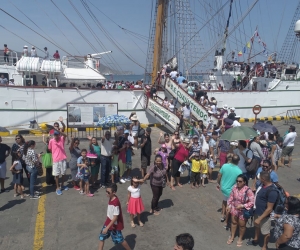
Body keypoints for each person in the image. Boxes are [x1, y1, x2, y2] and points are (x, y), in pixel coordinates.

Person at [246, 171, 278, 250]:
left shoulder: (272, 191)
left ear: (263, 179)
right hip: (257, 211)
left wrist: (260, 219)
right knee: (257, 226)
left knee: (266, 232)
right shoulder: (262, 185)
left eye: (259, 178)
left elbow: (269, 208)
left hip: (265, 216)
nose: (258, 179)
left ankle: (264, 246)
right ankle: (256, 240)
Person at [98, 184, 131, 250]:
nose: (106, 193)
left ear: (114, 192)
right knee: (101, 237)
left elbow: (115, 217)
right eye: (106, 191)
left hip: (115, 225)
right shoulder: (111, 197)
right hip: (108, 221)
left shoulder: (115, 203)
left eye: (108, 192)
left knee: (120, 240)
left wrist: (107, 228)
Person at [226, 174, 255, 246]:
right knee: (233, 223)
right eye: (237, 181)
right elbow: (231, 197)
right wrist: (228, 205)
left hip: (243, 211)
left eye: (240, 181)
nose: (238, 183)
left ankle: (240, 238)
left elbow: (252, 201)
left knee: (242, 225)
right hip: (234, 209)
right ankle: (232, 236)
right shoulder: (234, 188)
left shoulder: (248, 190)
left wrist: (243, 205)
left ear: (244, 182)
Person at [217, 154, 243, 228]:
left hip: (224, 188)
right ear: (238, 161)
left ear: (231, 160)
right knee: (230, 206)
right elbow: (240, 183)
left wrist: (218, 183)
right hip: (231, 191)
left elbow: (219, 175)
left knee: (224, 201)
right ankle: (226, 222)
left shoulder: (225, 166)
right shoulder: (239, 171)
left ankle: (222, 214)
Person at [48, 129, 68, 195]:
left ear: (59, 134)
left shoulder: (62, 139)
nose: (56, 136)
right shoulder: (51, 141)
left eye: (57, 134)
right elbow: (50, 149)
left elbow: (65, 135)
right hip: (56, 160)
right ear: (54, 135)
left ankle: (62, 185)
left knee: (63, 172)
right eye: (55, 134)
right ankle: (57, 187)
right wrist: (55, 155)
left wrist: (58, 130)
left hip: (63, 158)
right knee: (56, 174)